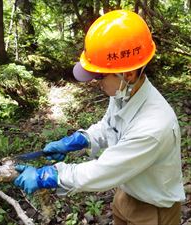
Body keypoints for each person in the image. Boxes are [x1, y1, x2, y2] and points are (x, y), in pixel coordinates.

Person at [14, 10, 185, 225]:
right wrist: (79, 140)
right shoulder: (125, 92)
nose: (95, 82)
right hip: (127, 192)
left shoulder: (153, 127)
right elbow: (108, 126)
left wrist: (48, 176)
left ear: (128, 74)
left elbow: (103, 170)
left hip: (152, 209)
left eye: (100, 76)